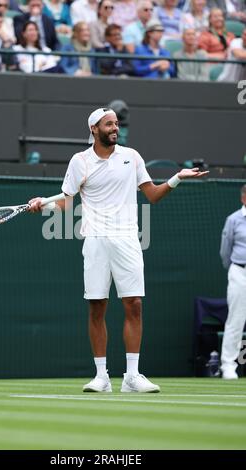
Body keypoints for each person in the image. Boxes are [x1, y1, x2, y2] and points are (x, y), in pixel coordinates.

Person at [28, 107, 208, 393]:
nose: (115, 128)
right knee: (97, 306)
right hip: (96, 240)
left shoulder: (132, 156)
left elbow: (152, 195)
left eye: (116, 123)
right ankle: (101, 377)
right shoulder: (79, 162)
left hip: (127, 239)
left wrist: (177, 178)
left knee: (134, 305)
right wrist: (42, 207)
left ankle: (132, 376)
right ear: (93, 129)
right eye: (108, 124)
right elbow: (64, 203)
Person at [219, 185, 246, 380]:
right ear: (243, 199)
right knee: (236, 319)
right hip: (239, 271)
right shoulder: (233, 220)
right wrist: (236, 269)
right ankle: (228, 365)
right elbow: (225, 252)